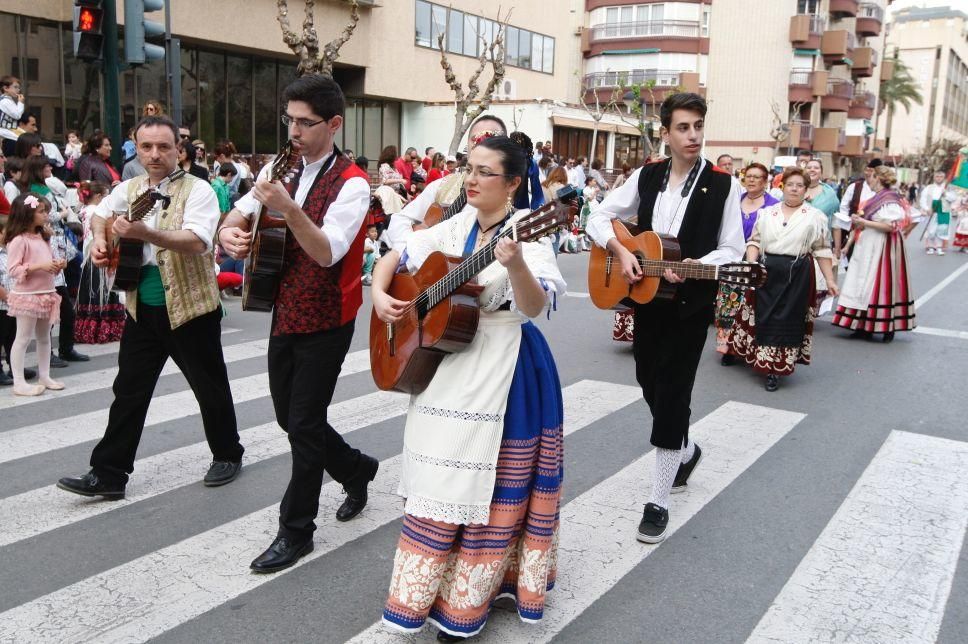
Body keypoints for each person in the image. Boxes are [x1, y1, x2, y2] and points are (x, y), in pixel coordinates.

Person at [371, 135, 565, 641]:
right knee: (439, 478)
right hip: (446, 362)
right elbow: (397, 252)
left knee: (495, 484)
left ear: (515, 183)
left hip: (506, 365)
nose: (472, 179)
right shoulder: (453, 225)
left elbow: (533, 306)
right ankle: (426, 592)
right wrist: (378, 294)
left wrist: (517, 262)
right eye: (468, 168)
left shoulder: (531, 233)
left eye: (485, 172)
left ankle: (473, 598)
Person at [217, 74, 379, 574]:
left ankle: (296, 530)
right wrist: (231, 234)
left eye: (304, 123)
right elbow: (237, 215)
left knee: (303, 424)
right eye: (289, 120)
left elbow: (328, 251)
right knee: (291, 418)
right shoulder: (279, 166)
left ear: (333, 124)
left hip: (328, 316)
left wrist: (287, 208)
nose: (293, 132)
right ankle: (356, 468)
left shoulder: (353, 183)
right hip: (283, 309)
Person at [56, 114, 244, 500]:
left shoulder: (199, 190)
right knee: (129, 389)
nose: (155, 154)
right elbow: (100, 214)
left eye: (163, 146)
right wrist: (98, 239)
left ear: (179, 149)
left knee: (208, 387)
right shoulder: (131, 187)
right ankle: (108, 473)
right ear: (136, 148)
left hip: (191, 308)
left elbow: (197, 241)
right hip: (141, 306)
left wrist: (147, 233)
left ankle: (227, 453)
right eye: (147, 147)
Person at [587, 92, 744, 544]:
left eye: (698, 126)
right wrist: (619, 248)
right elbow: (599, 215)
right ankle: (687, 449)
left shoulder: (723, 184)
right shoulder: (647, 176)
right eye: (683, 127)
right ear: (666, 133)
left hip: (690, 306)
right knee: (648, 382)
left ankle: (658, 499)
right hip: (648, 300)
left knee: (673, 393)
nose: (693, 135)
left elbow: (732, 250)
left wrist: (695, 263)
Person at [727, 167, 839, 391]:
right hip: (767, 270)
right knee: (758, 314)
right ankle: (740, 352)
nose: (794, 189)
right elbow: (754, 241)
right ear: (782, 187)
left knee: (785, 320)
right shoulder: (767, 213)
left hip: (797, 273)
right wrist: (751, 266)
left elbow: (823, 250)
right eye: (790, 184)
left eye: (799, 185)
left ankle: (774, 370)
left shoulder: (814, 217)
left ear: (806, 191)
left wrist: (831, 281)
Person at [384, 114, 507, 255]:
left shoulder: (514, 198)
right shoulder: (442, 186)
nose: (482, 145)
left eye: (490, 138)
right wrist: (410, 252)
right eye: (475, 139)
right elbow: (400, 220)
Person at [832, 165, 916, 342]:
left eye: (872, 175)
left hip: (883, 246)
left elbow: (891, 226)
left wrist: (863, 221)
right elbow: (863, 224)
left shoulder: (890, 199)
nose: (868, 178)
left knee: (879, 284)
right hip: (868, 243)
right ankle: (863, 326)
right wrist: (849, 243)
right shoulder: (875, 198)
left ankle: (886, 327)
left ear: (878, 178)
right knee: (862, 282)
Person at [4, 193, 65, 396]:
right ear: (27, 215)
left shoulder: (43, 236)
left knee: (44, 338)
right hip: (28, 295)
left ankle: (45, 375)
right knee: (22, 338)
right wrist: (40, 266)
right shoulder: (18, 240)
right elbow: (13, 270)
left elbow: (47, 262)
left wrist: (56, 266)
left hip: (46, 292)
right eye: (41, 211)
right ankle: (19, 381)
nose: (45, 215)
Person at [717, 162, 778, 362]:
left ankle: (748, 347)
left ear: (765, 181)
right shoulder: (735, 200)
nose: (751, 180)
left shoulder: (773, 206)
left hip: (757, 263)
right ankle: (727, 347)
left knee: (751, 306)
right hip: (732, 260)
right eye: (748, 176)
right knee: (728, 304)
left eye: (756, 177)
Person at [73, 181, 124, 344]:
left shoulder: (84, 210)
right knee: (102, 292)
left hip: (91, 253)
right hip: (101, 251)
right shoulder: (97, 211)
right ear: (99, 196)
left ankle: (89, 328)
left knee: (92, 292)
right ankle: (105, 328)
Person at [833, 158, 880, 259]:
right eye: (867, 170)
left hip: (873, 232)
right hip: (853, 230)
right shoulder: (855, 186)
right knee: (851, 259)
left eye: (871, 171)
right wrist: (849, 222)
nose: (868, 173)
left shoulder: (881, 191)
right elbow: (844, 206)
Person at [921, 170, 955, 255]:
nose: (939, 178)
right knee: (931, 230)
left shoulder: (948, 188)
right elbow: (923, 199)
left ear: (944, 178)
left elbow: (953, 198)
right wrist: (926, 208)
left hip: (944, 211)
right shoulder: (928, 188)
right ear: (934, 177)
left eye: (941, 177)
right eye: (937, 176)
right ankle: (931, 247)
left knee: (942, 229)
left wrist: (946, 194)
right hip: (932, 211)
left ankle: (939, 247)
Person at [0, 76, 25, 158]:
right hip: (4, 131)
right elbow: (17, 115)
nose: (18, 90)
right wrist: (20, 103)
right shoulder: (5, 101)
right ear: (6, 88)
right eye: (15, 87)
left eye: (18, 88)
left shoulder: (8, 100)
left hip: (8, 130)